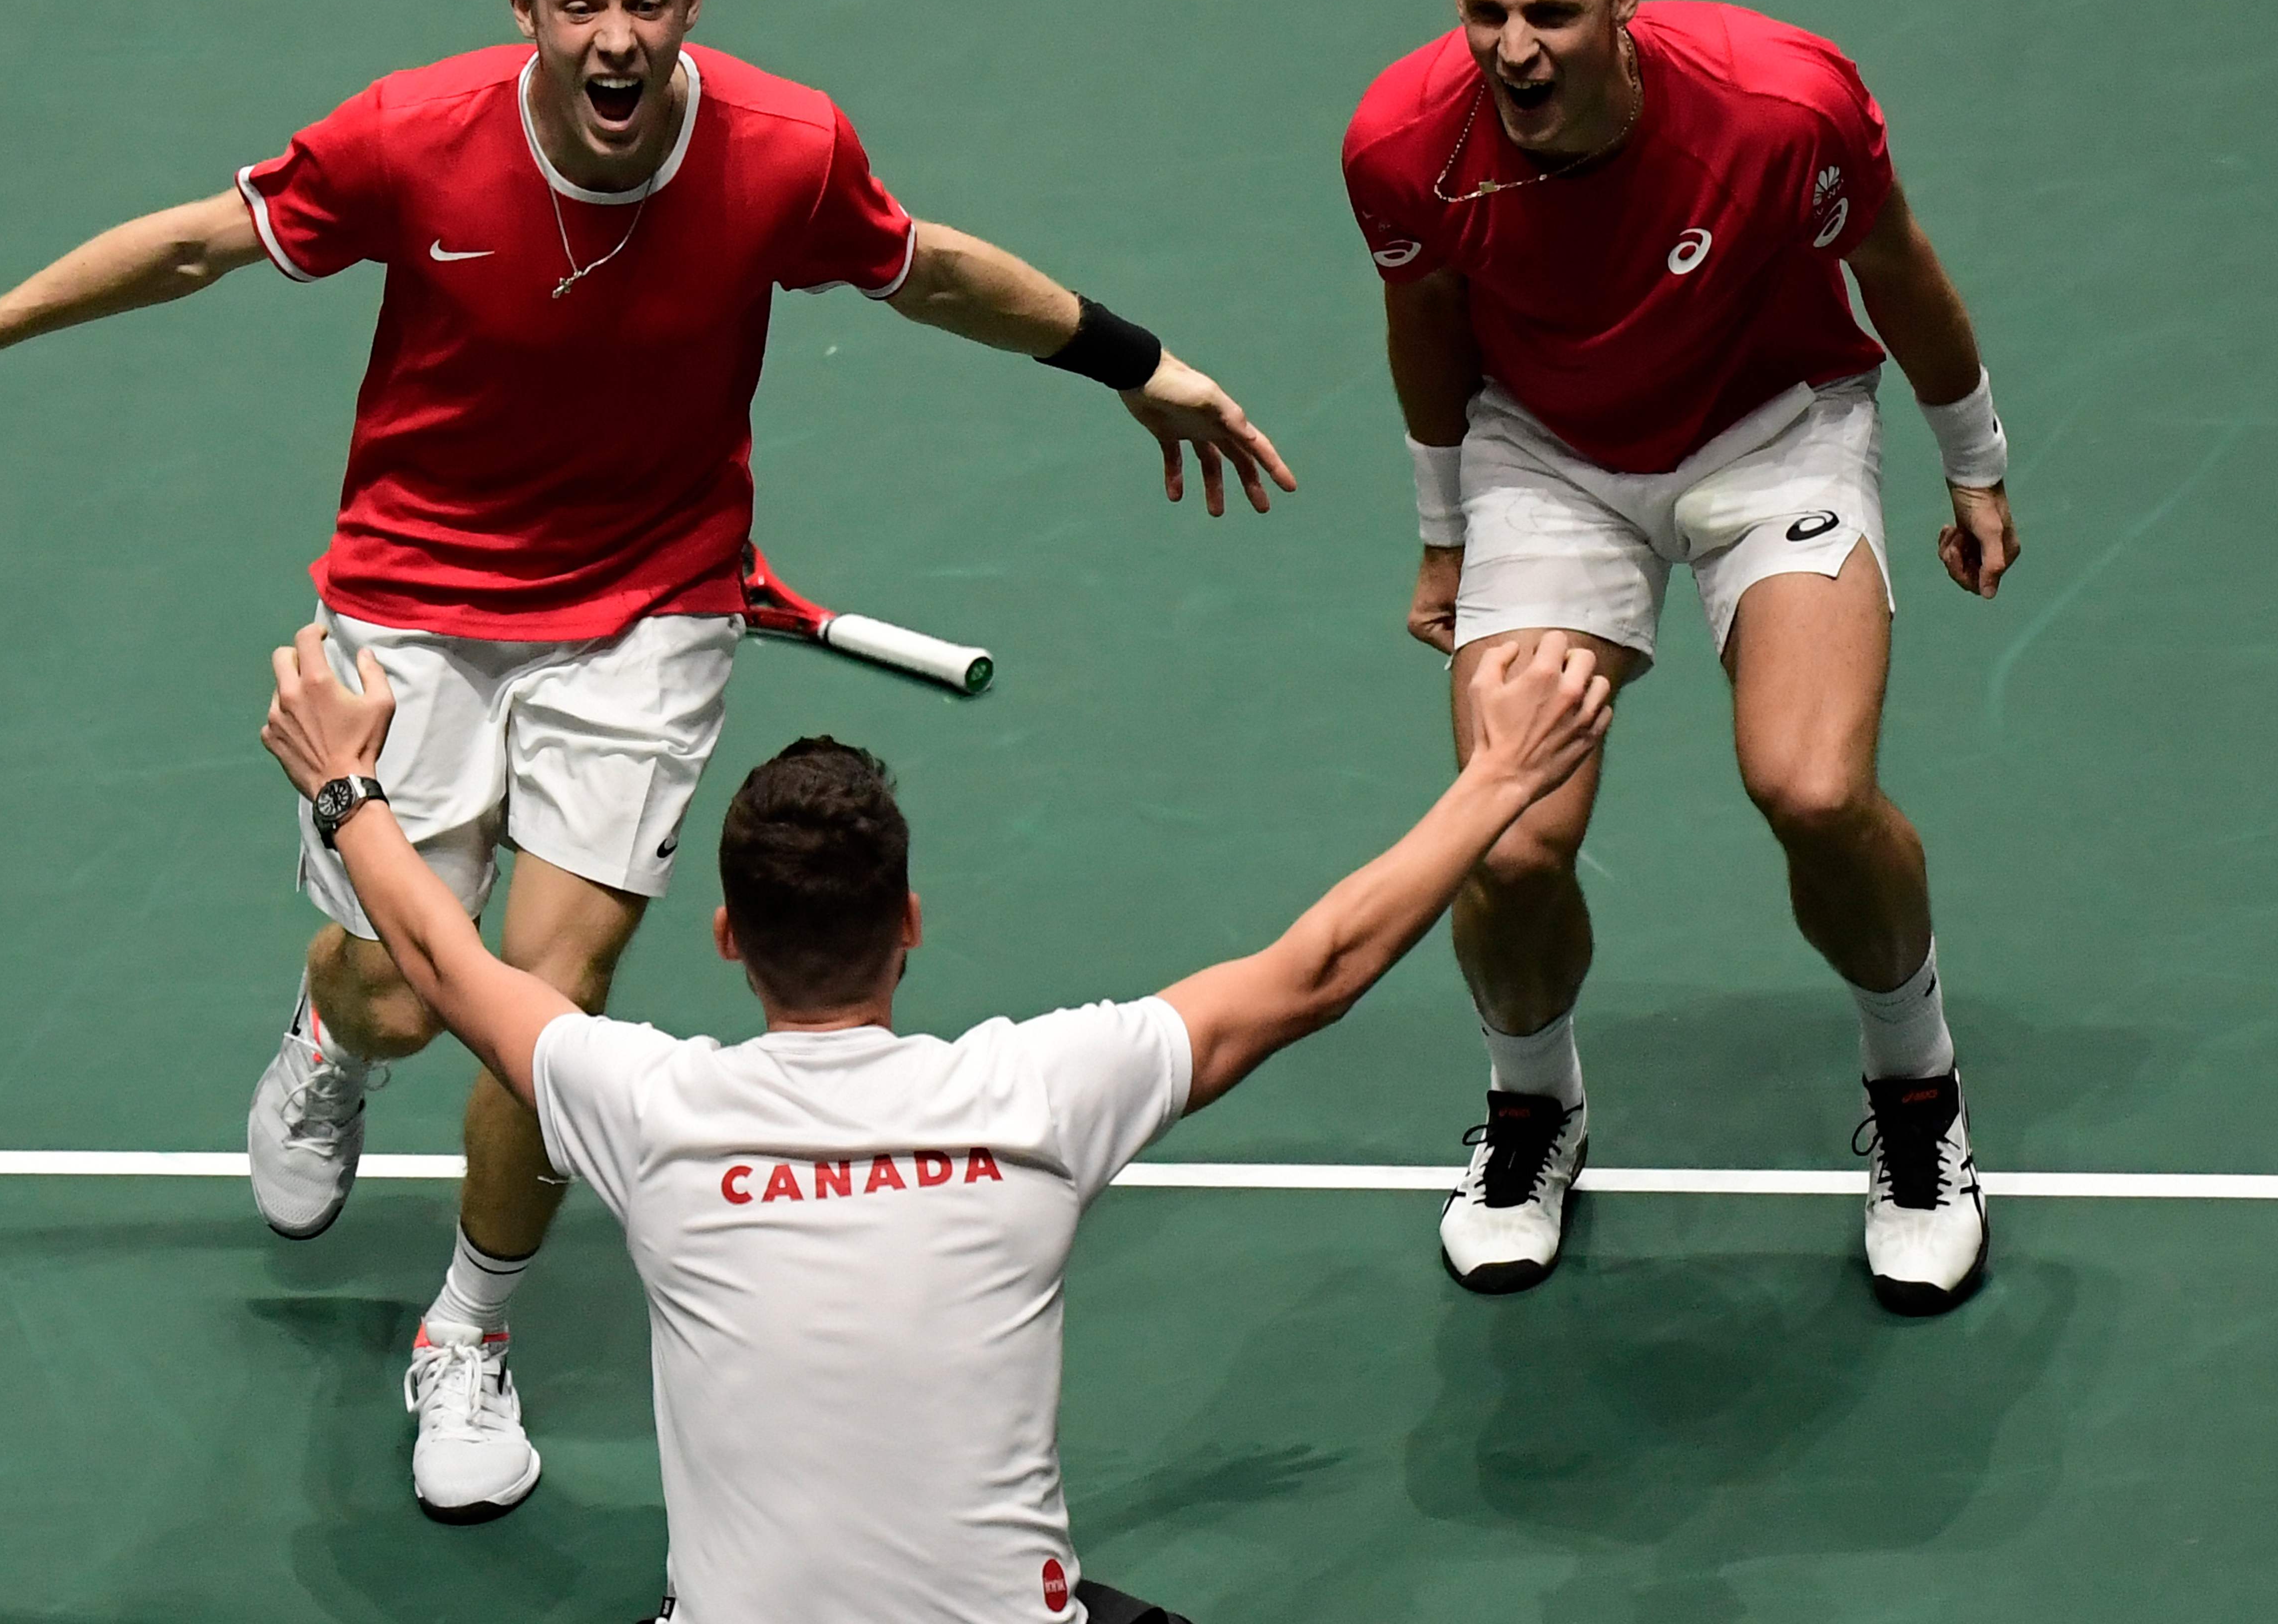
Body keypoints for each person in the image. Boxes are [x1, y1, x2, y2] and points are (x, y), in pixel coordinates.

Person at [0, 0, 1294, 1519]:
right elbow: (200, 248)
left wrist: (1140, 365)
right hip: (412, 603)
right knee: (400, 996)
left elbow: (928, 270)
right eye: (581, 6)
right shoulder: (409, 134)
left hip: (645, 614)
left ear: (690, 6)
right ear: (527, 17)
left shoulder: (785, 147)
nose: (616, 38)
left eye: (647, 2)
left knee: (545, 1019)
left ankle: (469, 1330)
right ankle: (330, 1043)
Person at [259, 615, 1611, 1624]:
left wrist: (346, 783)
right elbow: (1318, 968)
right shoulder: (1040, 1095)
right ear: (909, 926)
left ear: (728, 937)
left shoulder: (646, 1109)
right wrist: (1500, 777)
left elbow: (443, 961)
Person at [1340, 0, 2020, 1315]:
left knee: (1813, 788)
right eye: (1486, 12)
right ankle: (1535, 1108)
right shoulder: (1403, 145)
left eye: (1552, 15)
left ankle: (1918, 1094)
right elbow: (1430, 326)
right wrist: (1447, 525)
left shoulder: (1784, 107)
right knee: (1507, 840)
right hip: (1547, 459)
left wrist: (1974, 458)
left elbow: (1896, 269)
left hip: (1776, 431)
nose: (1515, 50)